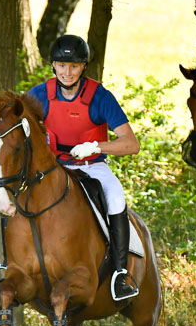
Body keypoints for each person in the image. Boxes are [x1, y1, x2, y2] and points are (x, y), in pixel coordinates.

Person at [28, 33, 140, 302]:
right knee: (17, 195)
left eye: (74, 66)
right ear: (53, 65)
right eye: (62, 65)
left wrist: (97, 147)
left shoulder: (100, 96)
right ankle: (11, 262)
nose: (67, 72)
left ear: (83, 67)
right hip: (52, 167)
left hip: (91, 166)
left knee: (115, 197)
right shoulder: (38, 95)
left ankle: (120, 273)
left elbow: (131, 144)